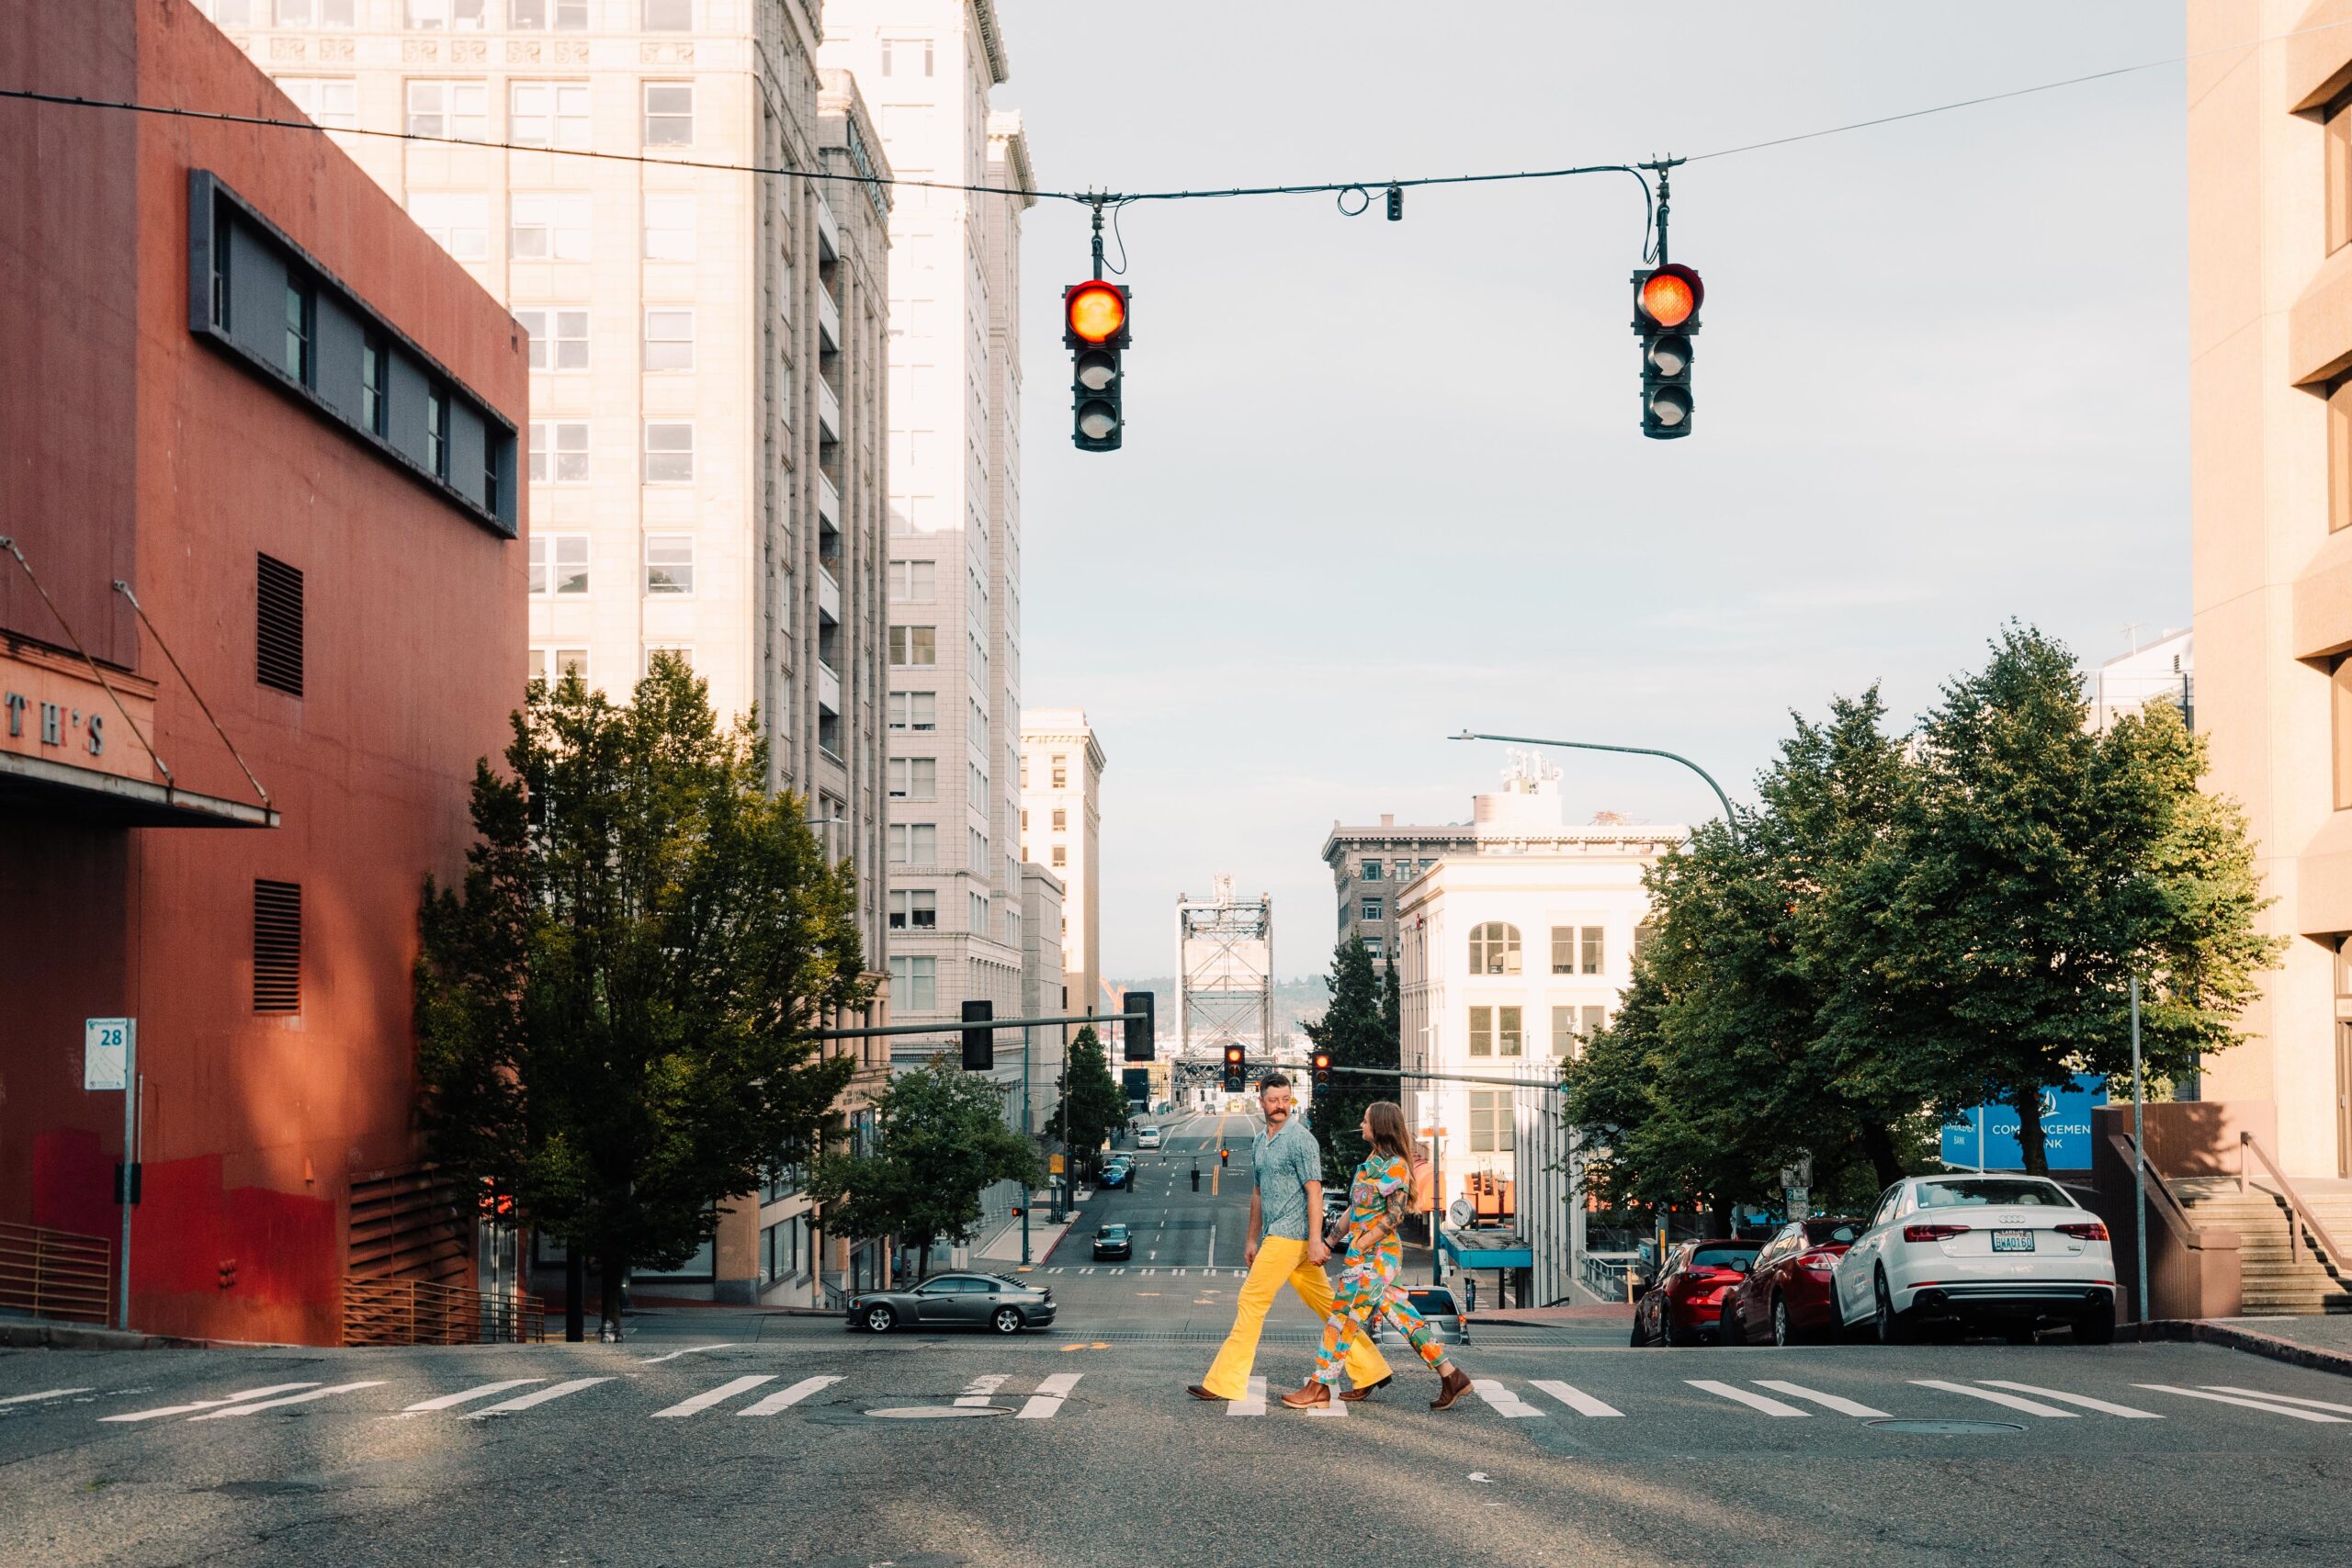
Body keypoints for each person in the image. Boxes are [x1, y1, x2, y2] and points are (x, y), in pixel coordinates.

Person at [1188, 1073, 1392, 1403]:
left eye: (1286, 1099)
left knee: (1251, 1301)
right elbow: (1258, 1193)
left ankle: (1225, 1381)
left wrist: (1316, 1241)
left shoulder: (1301, 1140)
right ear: (1261, 1101)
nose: (1281, 1106)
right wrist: (1251, 1239)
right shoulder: (1259, 1142)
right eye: (1274, 1100)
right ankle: (1371, 1369)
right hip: (1277, 1235)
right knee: (1328, 1306)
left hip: (1289, 1236)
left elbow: (1314, 1191)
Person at [1281, 1100, 1472, 1411]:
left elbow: (1394, 1217)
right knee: (1404, 1317)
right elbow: (1355, 1210)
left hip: (1377, 1257)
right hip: (1368, 1256)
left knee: (1342, 1317)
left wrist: (1361, 1244)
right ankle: (1452, 1376)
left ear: (1380, 1126)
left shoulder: (1396, 1166)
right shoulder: (1371, 1162)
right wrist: (1329, 1241)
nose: (1362, 1124)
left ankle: (1319, 1386)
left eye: (1366, 1120)